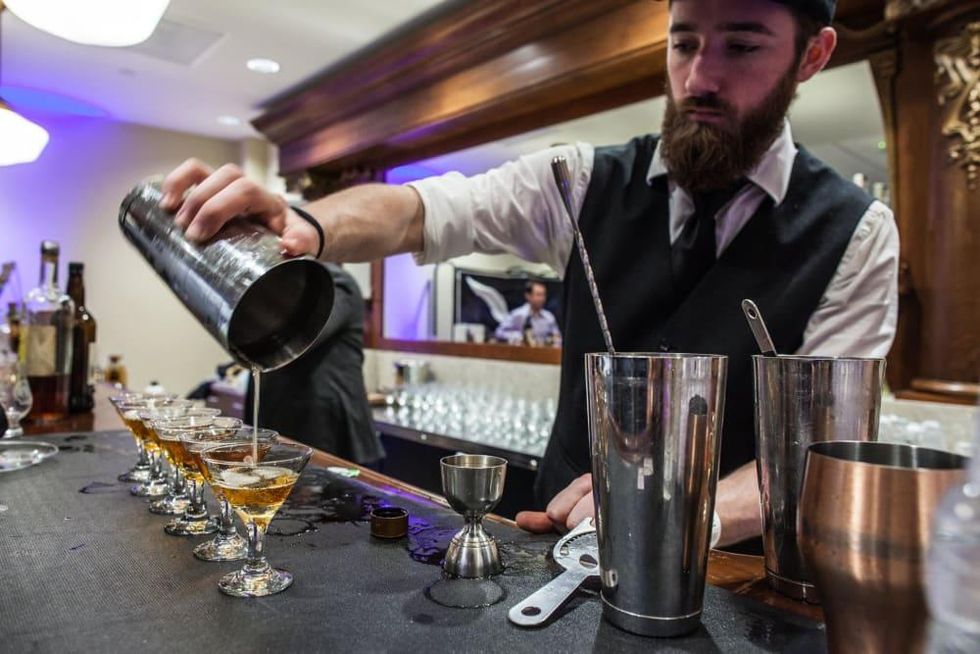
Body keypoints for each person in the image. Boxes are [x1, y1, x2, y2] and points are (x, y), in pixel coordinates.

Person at [158, 0, 898, 547]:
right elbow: (422, 211)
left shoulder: (856, 234)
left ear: (812, 55)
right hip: (556, 542)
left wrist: (688, 515)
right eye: (683, 42)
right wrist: (309, 224)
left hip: (738, 577)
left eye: (741, 45)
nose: (699, 76)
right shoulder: (581, 181)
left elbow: (820, 455)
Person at [244, 263, 384, 467]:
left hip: (331, 437)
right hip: (285, 434)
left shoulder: (334, 283)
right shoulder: (277, 286)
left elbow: (298, 338)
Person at [494, 281, 561, 346]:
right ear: (528, 296)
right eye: (538, 295)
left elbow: (557, 337)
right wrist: (517, 336)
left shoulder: (549, 317)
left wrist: (554, 342)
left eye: (543, 295)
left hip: (543, 353)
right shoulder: (518, 315)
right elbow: (499, 332)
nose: (542, 299)